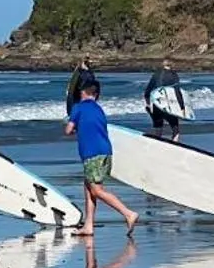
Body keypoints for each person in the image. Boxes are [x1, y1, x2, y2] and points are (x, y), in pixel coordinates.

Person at [64, 77, 139, 239]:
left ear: (82, 92)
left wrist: (74, 124)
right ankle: (88, 225)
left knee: (97, 190)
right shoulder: (99, 109)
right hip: (105, 152)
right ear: (96, 94)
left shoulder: (78, 108)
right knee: (89, 187)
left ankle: (128, 213)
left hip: (92, 154)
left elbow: (68, 130)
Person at [144, 59, 186, 142]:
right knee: (175, 130)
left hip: (156, 105)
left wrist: (148, 104)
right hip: (168, 106)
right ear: (172, 64)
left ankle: (158, 146)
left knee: (158, 129)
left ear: (163, 64)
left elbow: (147, 91)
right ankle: (174, 146)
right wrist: (182, 108)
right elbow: (177, 93)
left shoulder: (156, 74)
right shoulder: (174, 75)